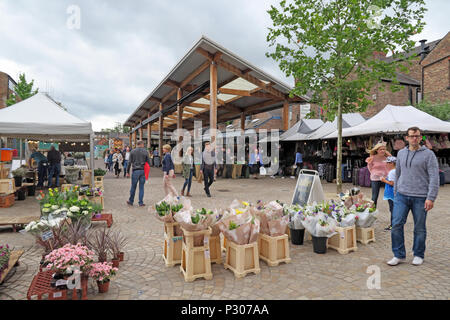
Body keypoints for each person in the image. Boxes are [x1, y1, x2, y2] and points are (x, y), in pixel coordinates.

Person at [387, 127, 439, 266]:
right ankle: (398, 255)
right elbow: (397, 173)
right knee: (396, 224)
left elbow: (434, 177)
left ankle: (418, 254)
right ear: (406, 138)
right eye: (412, 136)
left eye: (417, 136)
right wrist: (396, 192)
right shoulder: (401, 153)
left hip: (421, 197)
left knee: (419, 227)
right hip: (402, 196)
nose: (414, 138)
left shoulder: (429, 155)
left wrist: (431, 197)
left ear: (421, 137)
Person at [365, 142, 391, 208]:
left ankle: (393, 213)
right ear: (377, 150)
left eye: (384, 149)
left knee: (390, 196)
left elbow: (393, 163)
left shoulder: (387, 158)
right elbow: (369, 167)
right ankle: (372, 211)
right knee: (374, 196)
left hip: (386, 178)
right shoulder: (372, 158)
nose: (383, 151)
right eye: (381, 149)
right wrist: (374, 173)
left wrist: (389, 154)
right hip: (375, 178)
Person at [127, 141, 150, 207]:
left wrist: (127, 172)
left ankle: (131, 201)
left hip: (135, 171)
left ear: (137, 144)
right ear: (141, 144)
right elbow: (149, 163)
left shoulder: (132, 151)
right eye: (143, 144)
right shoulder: (145, 151)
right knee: (141, 187)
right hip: (142, 171)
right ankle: (140, 202)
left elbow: (129, 163)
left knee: (133, 187)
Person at [380, 156, 396, 231]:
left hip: (391, 193)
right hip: (394, 193)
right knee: (393, 208)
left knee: (392, 209)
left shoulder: (392, 172)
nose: (386, 164)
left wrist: (383, 180)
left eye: (387, 163)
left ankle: (393, 225)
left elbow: (392, 183)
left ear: (392, 163)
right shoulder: (396, 171)